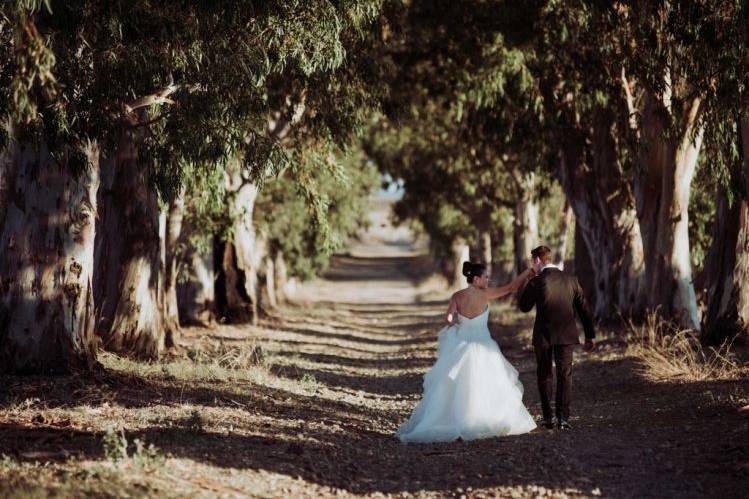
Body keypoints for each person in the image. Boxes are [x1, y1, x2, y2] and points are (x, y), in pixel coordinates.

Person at [395, 261, 537, 443]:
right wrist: (528, 272)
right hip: (484, 345)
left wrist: (455, 325)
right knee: (486, 383)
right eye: (485, 277)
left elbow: (448, 318)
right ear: (476, 279)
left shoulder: (457, 296)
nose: (488, 279)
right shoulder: (485, 294)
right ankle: (481, 419)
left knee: (457, 385)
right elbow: (511, 287)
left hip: (461, 345)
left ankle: (456, 419)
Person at [517, 245, 595, 431]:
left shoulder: (536, 281)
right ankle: (563, 419)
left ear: (537, 260)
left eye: (532, 262)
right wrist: (590, 335)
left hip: (543, 336)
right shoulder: (571, 280)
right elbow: (584, 310)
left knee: (544, 375)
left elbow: (524, 306)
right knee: (564, 374)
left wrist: (527, 281)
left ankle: (548, 418)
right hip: (567, 334)